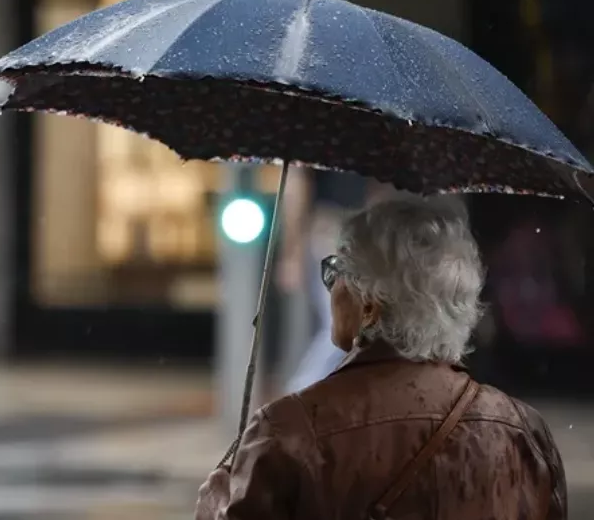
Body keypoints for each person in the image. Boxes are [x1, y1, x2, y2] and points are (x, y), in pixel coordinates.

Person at [194, 196, 566, 520]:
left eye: (335, 272)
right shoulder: (523, 433)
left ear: (370, 305)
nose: (329, 287)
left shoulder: (289, 431)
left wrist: (216, 505)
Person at [279, 168, 371, 394]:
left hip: (347, 228)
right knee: (345, 325)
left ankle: (305, 392)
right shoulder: (318, 139)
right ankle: (301, 391)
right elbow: (297, 186)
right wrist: (292, 252)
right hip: (330, 228)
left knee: (349, 325)